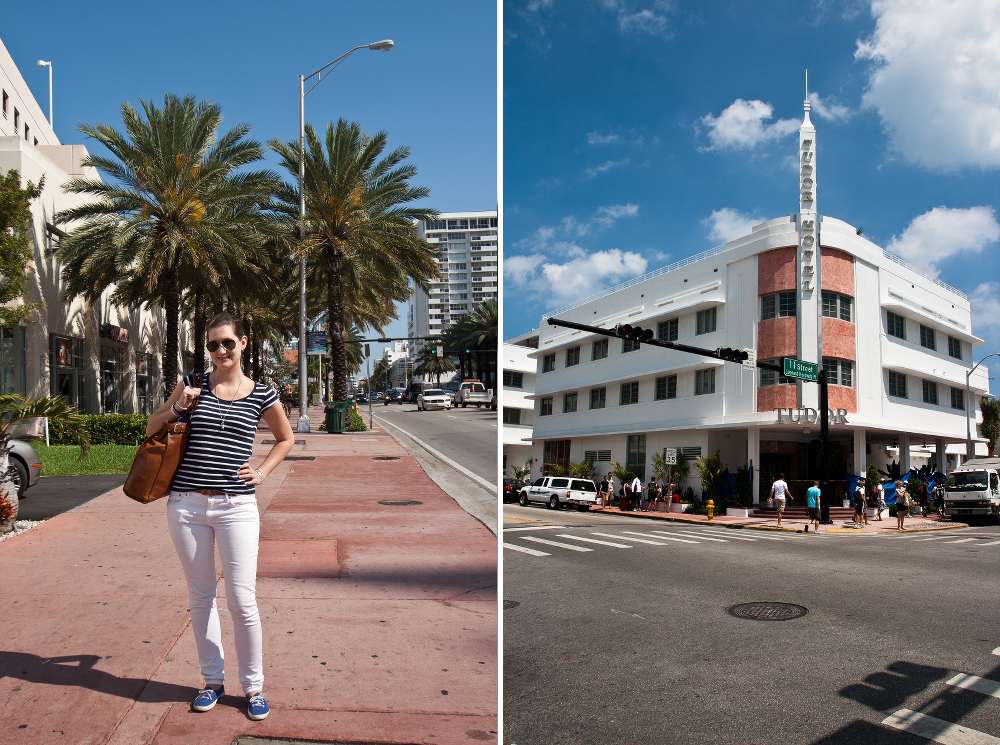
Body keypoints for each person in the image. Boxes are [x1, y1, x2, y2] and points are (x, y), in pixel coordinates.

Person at [146, 313, 295, 720]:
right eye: (212, 345)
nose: (220, 351)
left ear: (243, 343)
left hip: (237, 507)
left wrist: (262, 471)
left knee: (242, 600)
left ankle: (254, 688)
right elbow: (151, 426)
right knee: (201, 599)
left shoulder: (262, 393)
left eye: (227, 342)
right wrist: (180, 405)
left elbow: (286, 438)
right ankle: (212, 681)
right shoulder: (194, 383)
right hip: (186, 506)